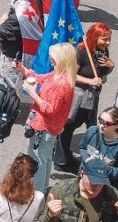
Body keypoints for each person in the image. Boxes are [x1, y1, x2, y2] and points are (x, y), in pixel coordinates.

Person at [19, 44, 79, 190]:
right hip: (48, 127)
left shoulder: (61, 83)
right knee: (44, 160)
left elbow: (50, 109)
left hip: (44, 128)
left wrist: (32, 92)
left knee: (37, 161)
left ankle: (38, 192)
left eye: (53, 57)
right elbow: (41, 78)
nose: (50, 59)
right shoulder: (59, 74)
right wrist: (24, 70)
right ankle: (43, 188)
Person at [57, 24, 115, 173]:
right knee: (69, 126)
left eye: (109, 39)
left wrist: (111, 65)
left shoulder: (102, 51)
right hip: (79, 96)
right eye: (104, 39)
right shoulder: (82, 52)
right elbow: (70, 75)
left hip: (93, 96)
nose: (107, 43)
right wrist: (90, 81)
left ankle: (89, 158)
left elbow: (102, 72)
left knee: (91, 126)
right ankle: (61, 160)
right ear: (95, 37)